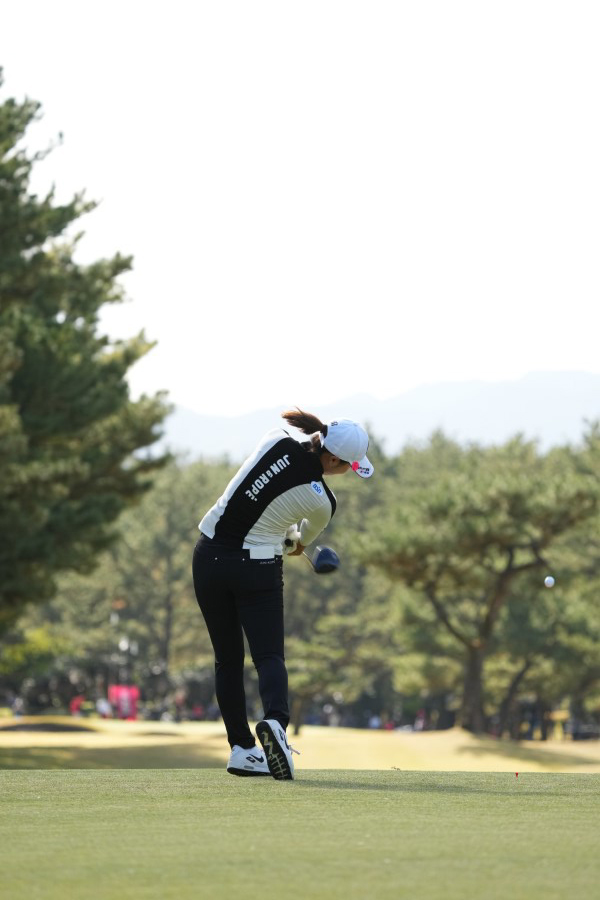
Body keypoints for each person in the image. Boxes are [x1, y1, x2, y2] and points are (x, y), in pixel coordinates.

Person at [192, 408, 373, 780]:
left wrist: (282, 531)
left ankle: (242, 750)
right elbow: (299, 543)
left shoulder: (273, 437)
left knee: (227, 659)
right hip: (256, 568)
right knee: (269, 656)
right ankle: (275, 721)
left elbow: (257, 493)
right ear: (333, 460)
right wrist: (291, 538)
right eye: (349, 466)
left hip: (208, 557)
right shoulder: (323, 502)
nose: (347, 471)